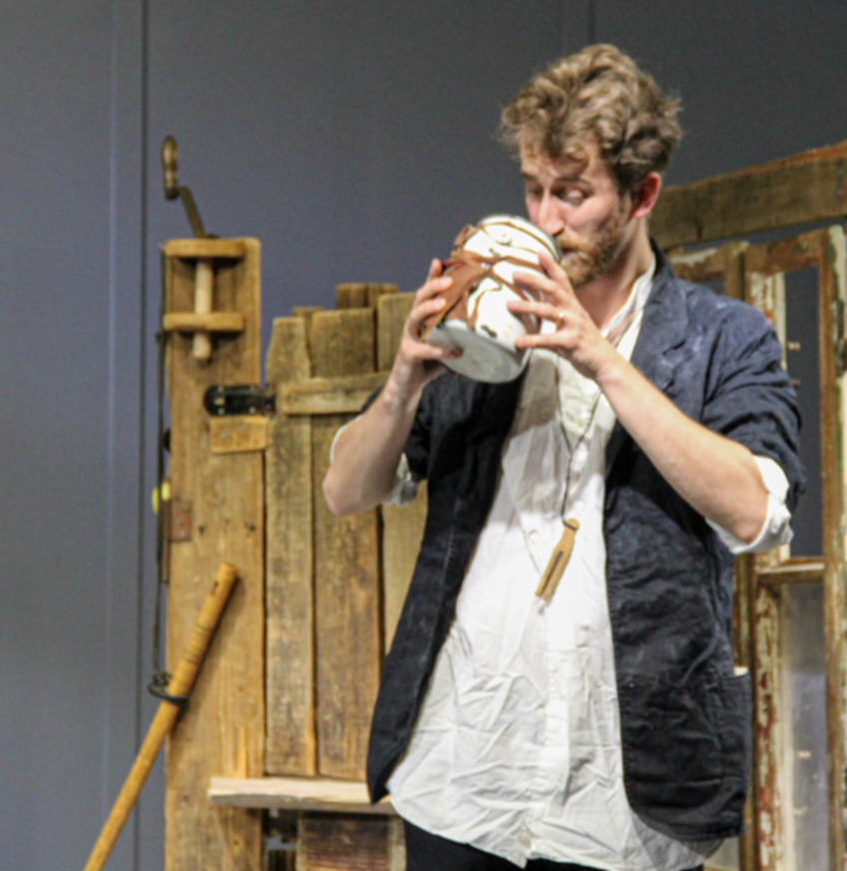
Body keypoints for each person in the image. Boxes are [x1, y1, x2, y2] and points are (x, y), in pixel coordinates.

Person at [322, 44, 803, 871]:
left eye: (573, 194)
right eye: (533, 189)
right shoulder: (489, 321)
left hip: (623, 804)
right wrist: (403, 380)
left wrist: (603, 362)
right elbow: (344, 490)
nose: (545, 219)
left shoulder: (724, 337)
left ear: (643, 195)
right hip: (464, 777)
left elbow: (757, 511)